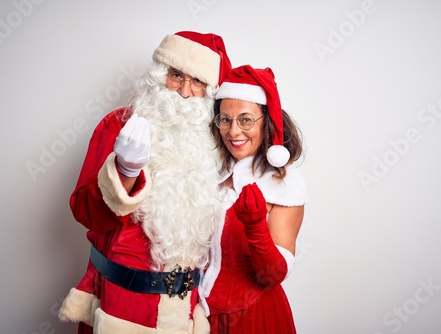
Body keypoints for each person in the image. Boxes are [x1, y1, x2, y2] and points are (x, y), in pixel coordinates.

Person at [58, 31, 232, 333]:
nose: (184, 91)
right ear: (159, 74)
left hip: (186, 309)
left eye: (197, 81)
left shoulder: (216, 143)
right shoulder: (119, 125)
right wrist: (124, 172)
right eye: (176, 75)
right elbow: (83, 211)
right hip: (121, 307)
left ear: (209, 91)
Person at [199, 65, 307, 333]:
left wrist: (256, 225)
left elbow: (271, 276)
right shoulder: (210, 173)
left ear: (267, 122)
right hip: (199, 318)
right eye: (225, 119)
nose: (233, 132)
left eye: (245, 120)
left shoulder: (283, 182)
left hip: (253, 319)